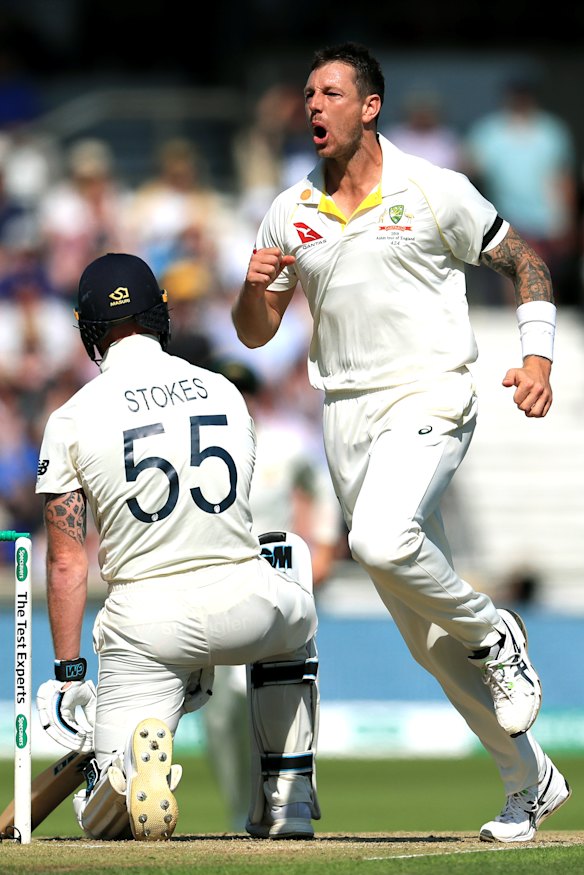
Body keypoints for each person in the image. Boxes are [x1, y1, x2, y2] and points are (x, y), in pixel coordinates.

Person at [231, 42, 571, 843]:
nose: (313, 106)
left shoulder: (434, 189)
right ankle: (531, 782)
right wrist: (251, 287)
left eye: (332, 93)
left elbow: (527, 263)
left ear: (370, 105)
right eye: (308, 94)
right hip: (345, 416)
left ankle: (497, 630)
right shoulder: (291, 210)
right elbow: (255, 334)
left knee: (379, 539)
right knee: (426, 642)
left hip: (432, 393)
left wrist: (537, 355)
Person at [34, 252, 320, 841]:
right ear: (159, 316)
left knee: (102, 820)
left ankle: (129, 771)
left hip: (148, 626)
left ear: (89, 329)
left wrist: (66, 675)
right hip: (249, 605)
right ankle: (286, 798)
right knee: (290, 570)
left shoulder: (72, 417)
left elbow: (66, 562)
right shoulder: (225, 392)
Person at [463, 77, 578, 306]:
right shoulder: (489, 131)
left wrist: (567, 220)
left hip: (546, 219)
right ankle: (517, 325)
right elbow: (469, 169)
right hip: (507, 217)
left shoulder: (551, 131)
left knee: (544, 277)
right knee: (515, 272)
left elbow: (564, 178)